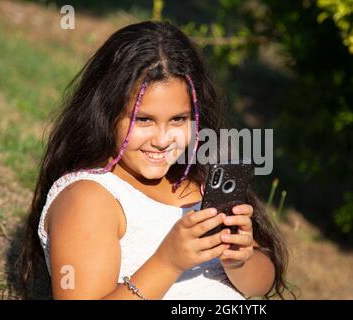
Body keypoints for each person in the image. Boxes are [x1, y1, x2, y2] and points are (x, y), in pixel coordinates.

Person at [18, 21, 292, 300]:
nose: (162, 140)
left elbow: (260, 285)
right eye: (144, 119)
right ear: (105, 112)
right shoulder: (89, 198)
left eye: (178, 119)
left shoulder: (199, 182)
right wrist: (167, 263)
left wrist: (237, 261)